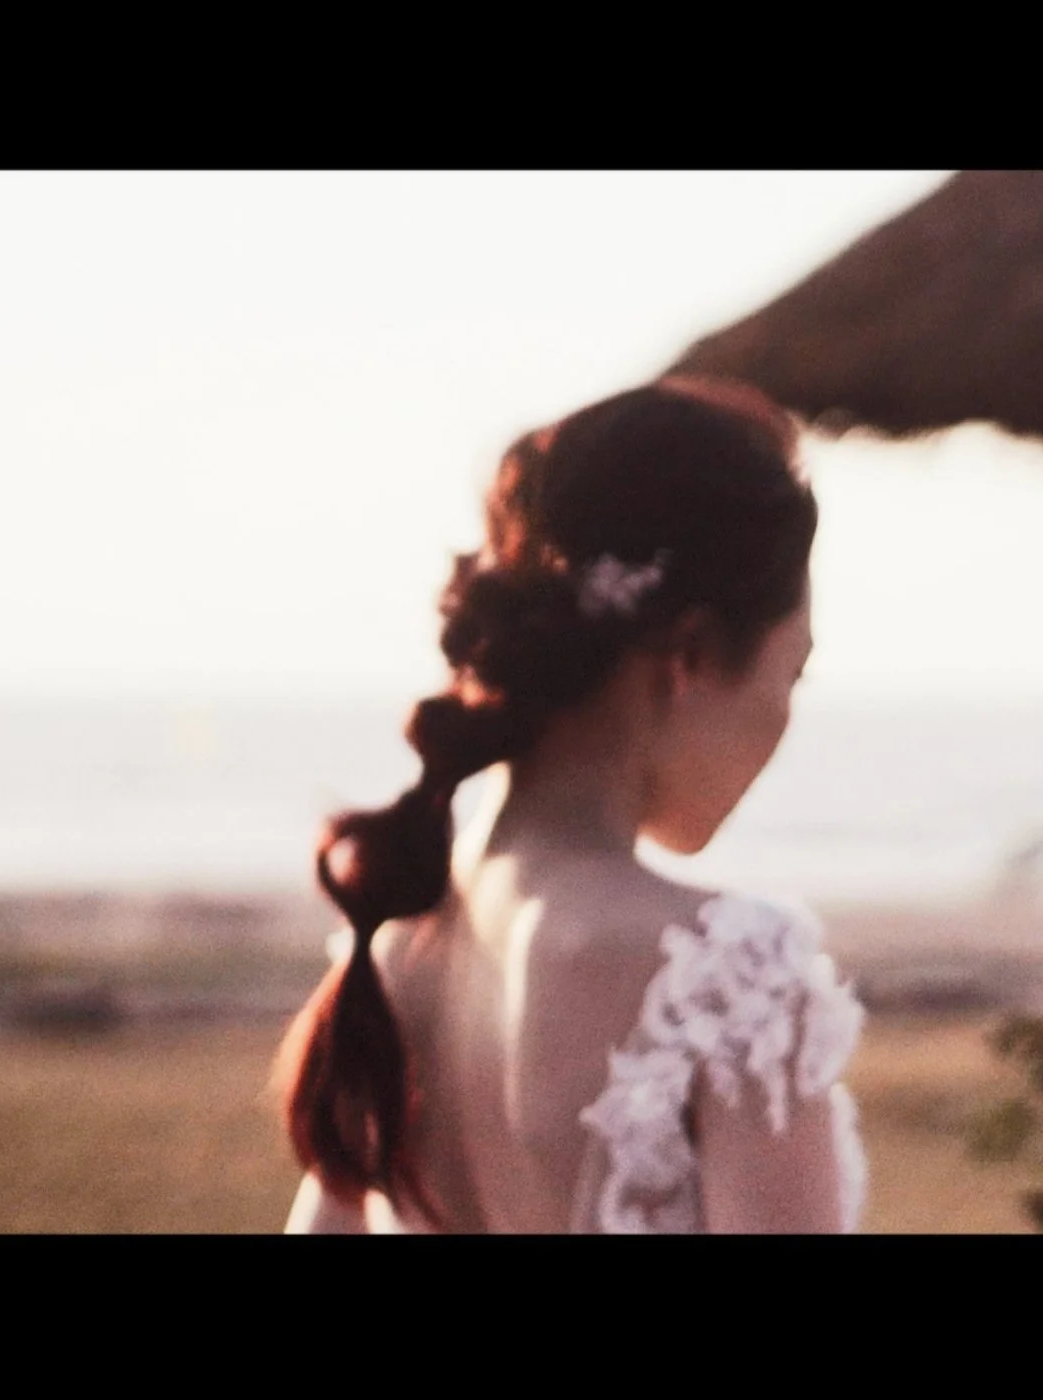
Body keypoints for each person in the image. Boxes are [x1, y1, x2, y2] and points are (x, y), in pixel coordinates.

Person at [275, 375, 863, 1234]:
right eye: (793, 673)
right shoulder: (730, 974)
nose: (785, 717)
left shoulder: (399, 947)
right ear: (693, 655)